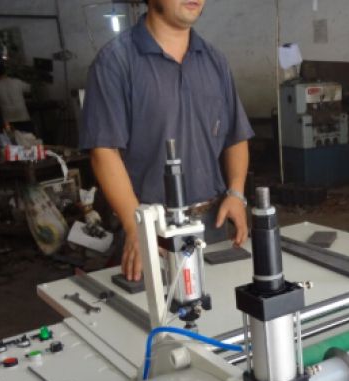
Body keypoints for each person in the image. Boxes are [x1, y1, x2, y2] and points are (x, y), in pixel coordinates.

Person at [80, 0, 253, 280]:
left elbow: (236, 135)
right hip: (152, 230)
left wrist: (236, 193)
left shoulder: (214, 60)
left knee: (218, 302)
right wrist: (135, 225)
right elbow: (104, 150)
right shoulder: (115, 62)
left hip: (213, 223)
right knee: (157, 306)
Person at [0, 60, 34, 133]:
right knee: (29, 138)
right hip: (23, 116)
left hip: (8, 120)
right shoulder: (17, 82)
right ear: (5, 71)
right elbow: (30, 88)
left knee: (11, 139)